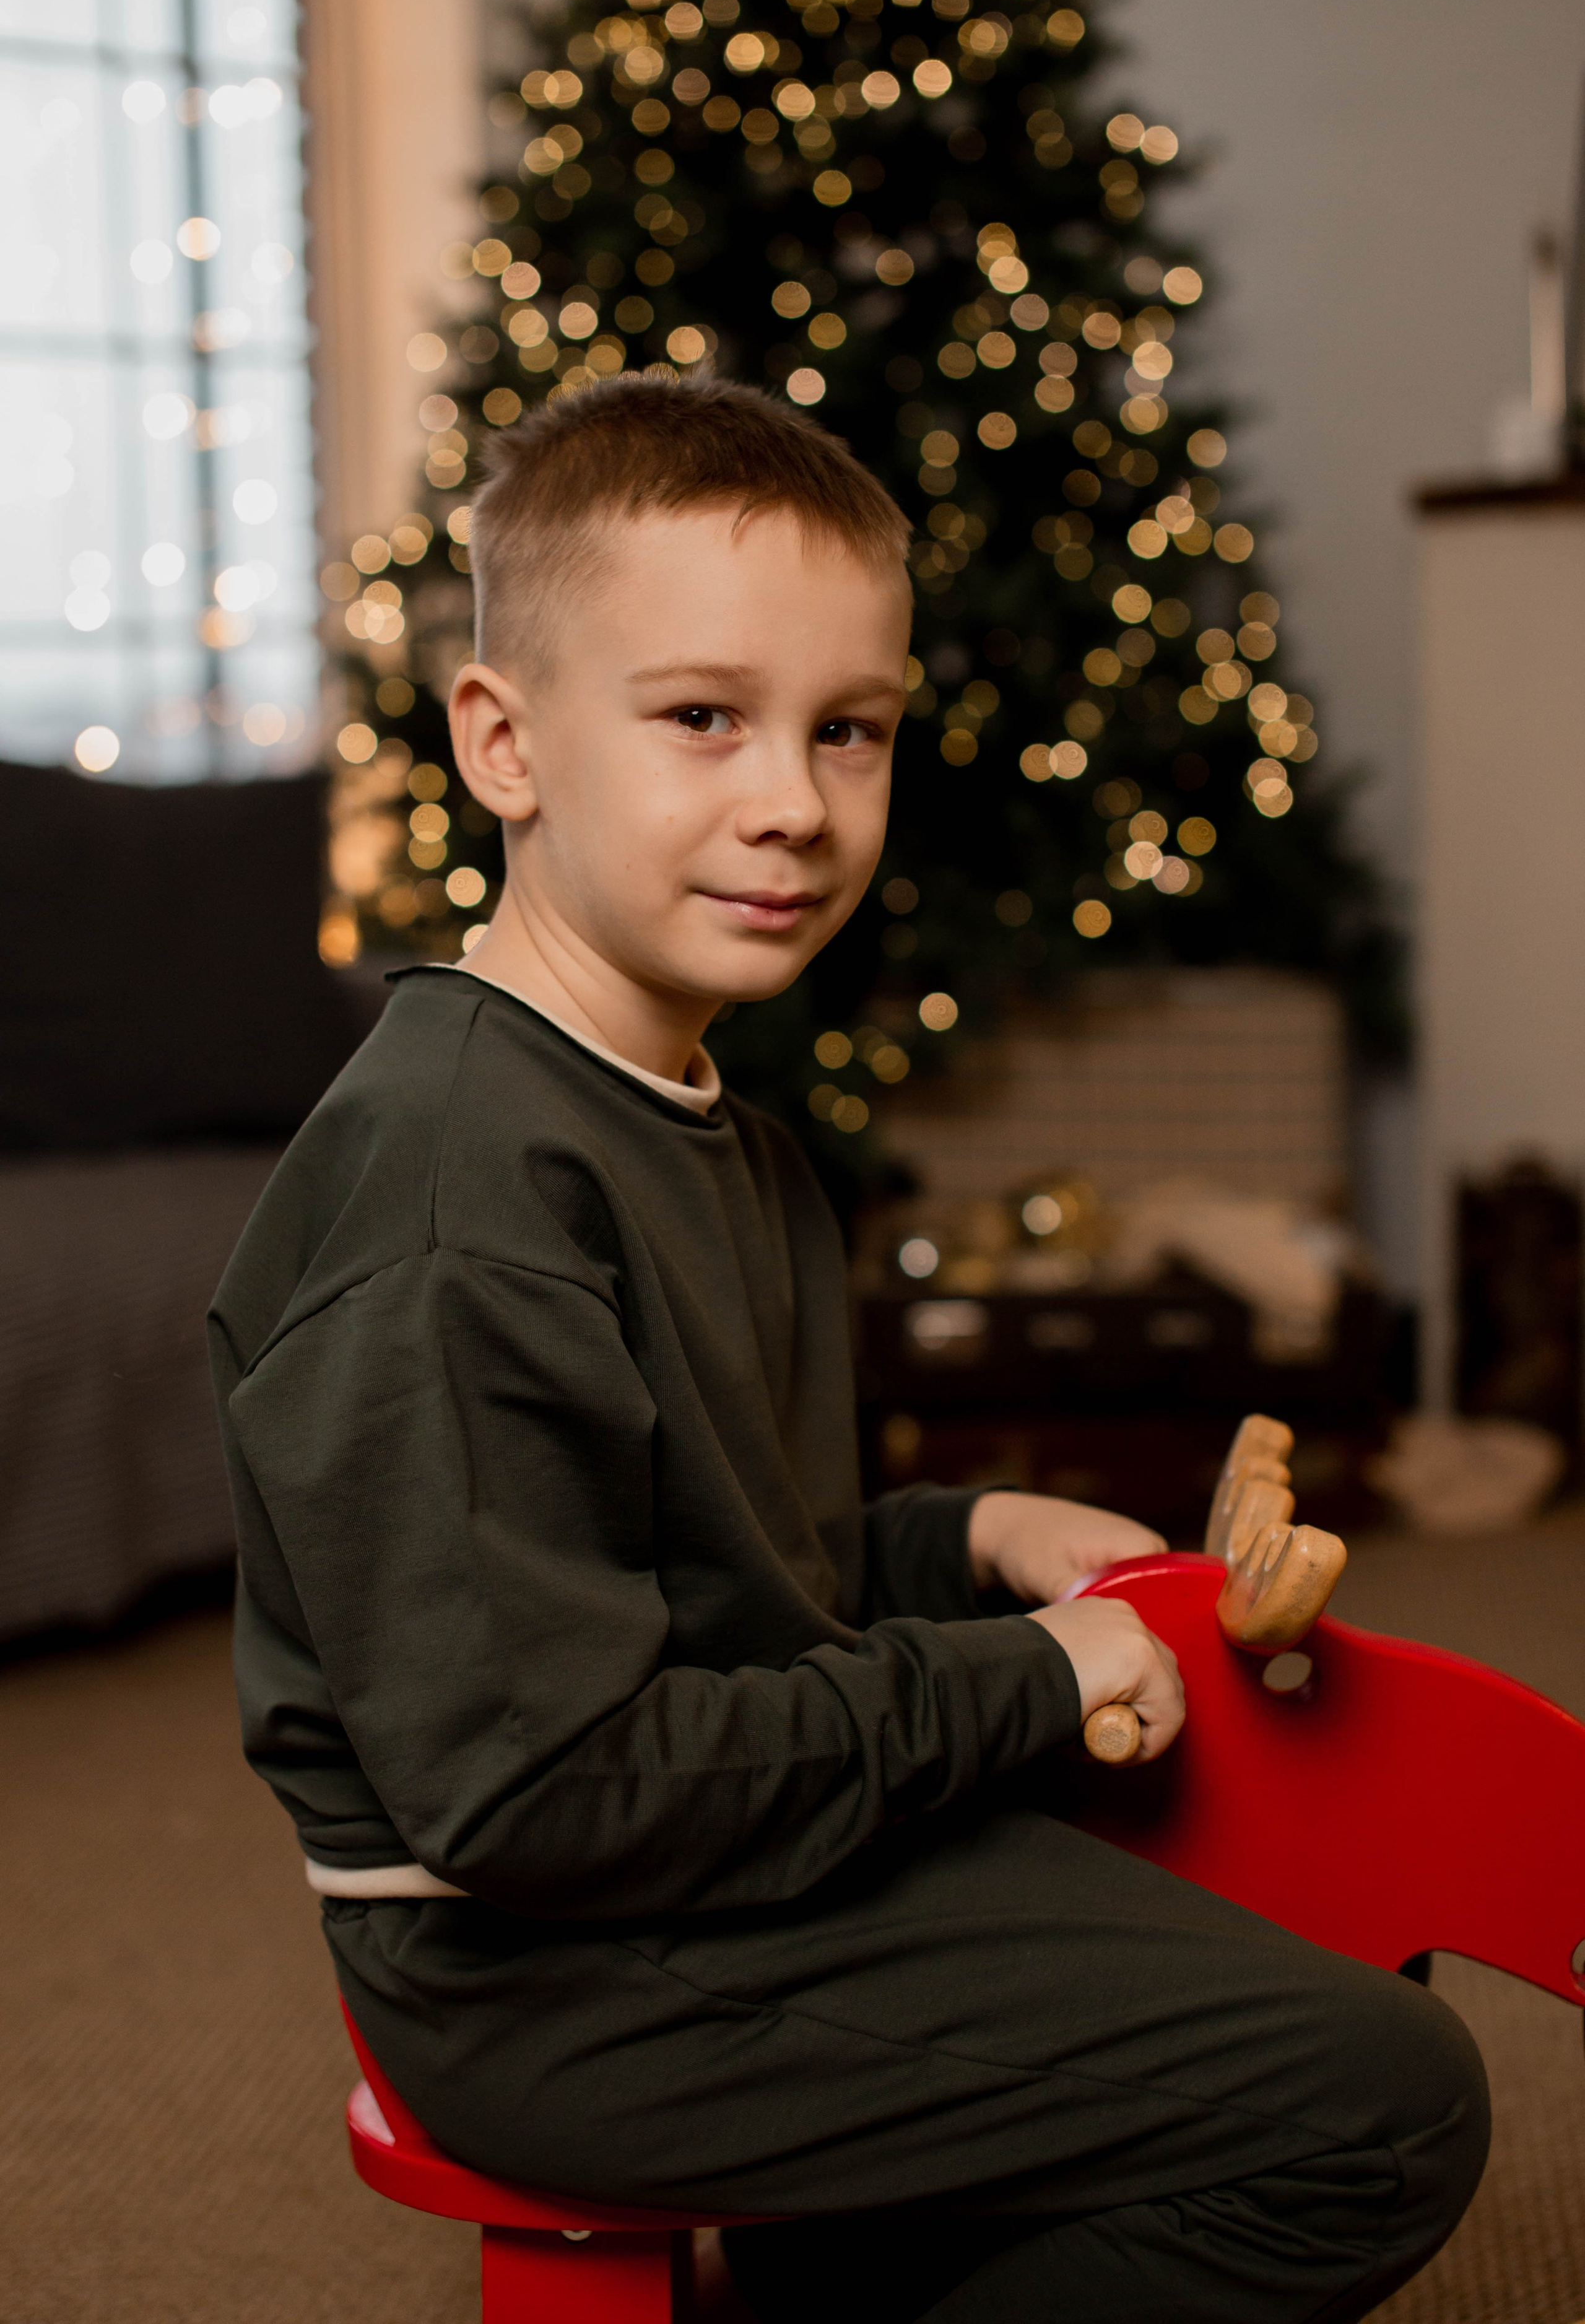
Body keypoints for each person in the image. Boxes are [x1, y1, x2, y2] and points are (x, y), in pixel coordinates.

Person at [210, 375, 1487, 2323]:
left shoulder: (705, 1129)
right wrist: (1015, 1688)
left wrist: (966, 1544)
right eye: (703, 716)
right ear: (505, 740)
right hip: (554, 1970)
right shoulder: (457, 1201)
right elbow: (550, 1791)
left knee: (1259, 1885)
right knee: (1376, 2106)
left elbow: (720, 1591)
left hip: (666, 1879)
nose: (795, 800)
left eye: (853, 732)